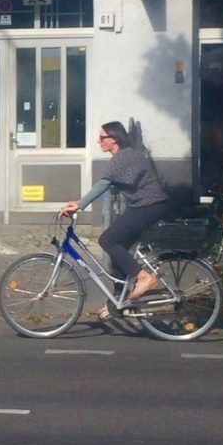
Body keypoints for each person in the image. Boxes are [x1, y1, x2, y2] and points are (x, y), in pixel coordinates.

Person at [59, 121, 169, 317]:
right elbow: (110, 186)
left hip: (149, 207)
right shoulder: (127, 156)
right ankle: (116, 303)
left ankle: (144, 277)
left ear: (114, 139)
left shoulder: (124, 157)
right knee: (118, 253)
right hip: (146, 207)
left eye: (102, 138)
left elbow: (103, 184)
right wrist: (80, 201)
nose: (98, 142)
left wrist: (80, 205)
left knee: (107, 240)